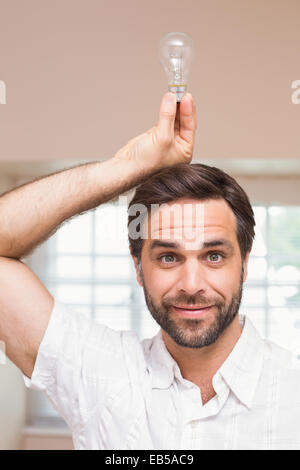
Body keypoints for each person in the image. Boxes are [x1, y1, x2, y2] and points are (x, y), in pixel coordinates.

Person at [0, 92, 299, 451]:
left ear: (245, 263)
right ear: (138, 266)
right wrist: (127, 166)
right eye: (169, 257)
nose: (192, 285)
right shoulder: (99, 374)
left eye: (214, 256)